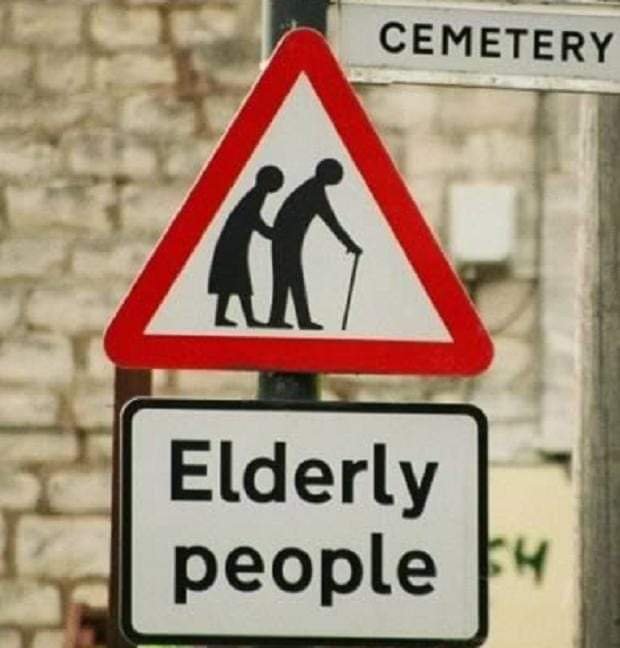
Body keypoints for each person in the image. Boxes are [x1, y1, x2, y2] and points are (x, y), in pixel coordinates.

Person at [268, 158, 362, 330]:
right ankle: (292, 320)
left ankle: (282, 319)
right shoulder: (314, 192)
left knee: (289, 280)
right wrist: (350, 245)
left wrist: (350, 244)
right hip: (286, 241)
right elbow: (332, 222)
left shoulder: (311, 188)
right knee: (290, 280)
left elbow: (330, 221)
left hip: (286, 240)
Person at [208, 165, 284, 327]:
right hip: (233, 245)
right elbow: (254, 219)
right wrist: (272, 234)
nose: (278, 185)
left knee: (231, 283)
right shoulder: (256, 195)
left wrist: (270, 233)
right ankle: (246, 319)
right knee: (238, 283)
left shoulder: (256, 194)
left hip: (234, 243)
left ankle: (227, 318)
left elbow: (253, 219)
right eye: (276, 181)